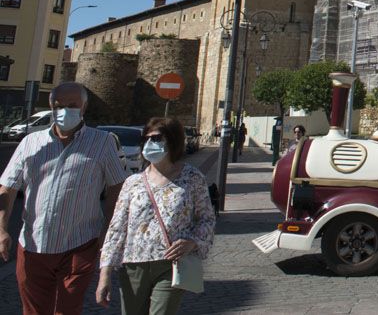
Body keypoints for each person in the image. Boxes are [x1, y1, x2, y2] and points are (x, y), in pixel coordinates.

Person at [0, 82, 127, 314]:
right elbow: (7, 187)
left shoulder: (103, 142)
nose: (65, 111)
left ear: (84, 107)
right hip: (33, 244)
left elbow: (117, 189)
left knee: (66, 309)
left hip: (79, 244)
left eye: (72, 105)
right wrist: (2, 229)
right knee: (34, 311)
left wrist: (107, 232)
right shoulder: (31, 143)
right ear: (51, 106)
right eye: (59, 106)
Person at [97, 117, 216, 314]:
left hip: (171, 264)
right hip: (133, 265)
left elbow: (207, 218)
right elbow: (116, 228)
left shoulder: (192, 178)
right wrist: (104, 275)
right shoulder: (132, 183)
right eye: (147, 139)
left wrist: (193, 242)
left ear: (173, 141)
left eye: (157, 138)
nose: (150, 144)